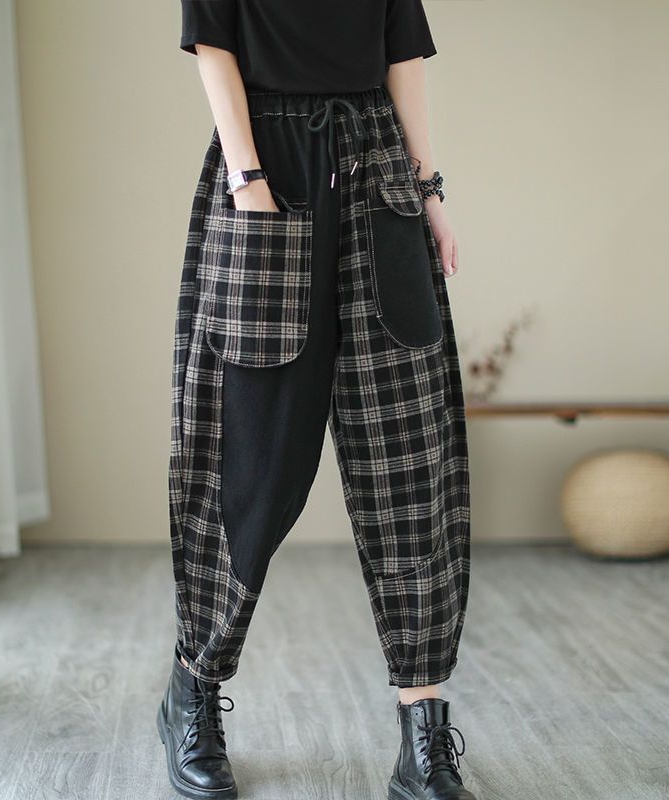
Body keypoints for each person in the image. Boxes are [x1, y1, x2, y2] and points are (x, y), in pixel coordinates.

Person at [157, 2, 474, 799]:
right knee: (249, 466)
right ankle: (193, 686)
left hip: (381, 178)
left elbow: (402, 57)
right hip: (266, 171)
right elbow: (213, 43)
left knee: (410, 467)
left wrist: (429, 190)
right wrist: (247, 178)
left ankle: (423, 729)